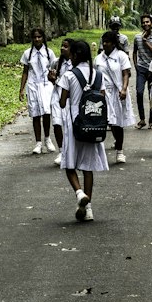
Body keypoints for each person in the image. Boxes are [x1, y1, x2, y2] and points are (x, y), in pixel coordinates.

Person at [59, 38, 108, 221]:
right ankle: (89, 211)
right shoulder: (98, 75)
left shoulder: (70, 75)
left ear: (74, 55)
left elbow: (62, 102)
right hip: (93, 126)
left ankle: (79, 193)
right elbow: (101, 98)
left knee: (70, 164)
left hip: (75, 124)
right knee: (88, 167)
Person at [98, 29, 134, 162]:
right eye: (104, 42)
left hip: (117, 92)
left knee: (117, 123)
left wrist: (124, 89)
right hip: (103, 93)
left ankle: (120, 150)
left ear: (114, 43)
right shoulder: (99, 58)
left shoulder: (121, 56)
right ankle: (100, 150)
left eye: (108, 42)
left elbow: (126, 73)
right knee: (105, 122)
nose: (105, 44)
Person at [19, 28, 57, 154]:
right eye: (35, 37)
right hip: (33, 85)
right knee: (35, 113)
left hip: (46, 85)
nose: (37, 39)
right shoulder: (28, 53)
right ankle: (38, 143)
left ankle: (47, 139)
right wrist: (21, 89)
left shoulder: (49, 53)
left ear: (43, 38)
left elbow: (53, 69)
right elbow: (25, 71)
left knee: (46, 112)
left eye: (39, 37)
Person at [132, 15, 152, 128]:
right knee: (139, 92)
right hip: (141, 68)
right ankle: (142, 119)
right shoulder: (137, 37)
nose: (145, 24)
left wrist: (145, 42)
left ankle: (151, 121)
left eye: (147, 22)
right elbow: (134, 52)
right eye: (143, 22)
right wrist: (136, 66)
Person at [48, 37, 73, 165]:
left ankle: (72, 151)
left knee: (70, 126)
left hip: (71, 98)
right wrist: (51, 78)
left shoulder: (76, 63)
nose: (62, 48)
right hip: (57, 96)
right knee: (57, 123)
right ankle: (62, 151)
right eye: (62, 46)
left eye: (66, 46)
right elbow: (52, 76)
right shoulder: (57, 63)